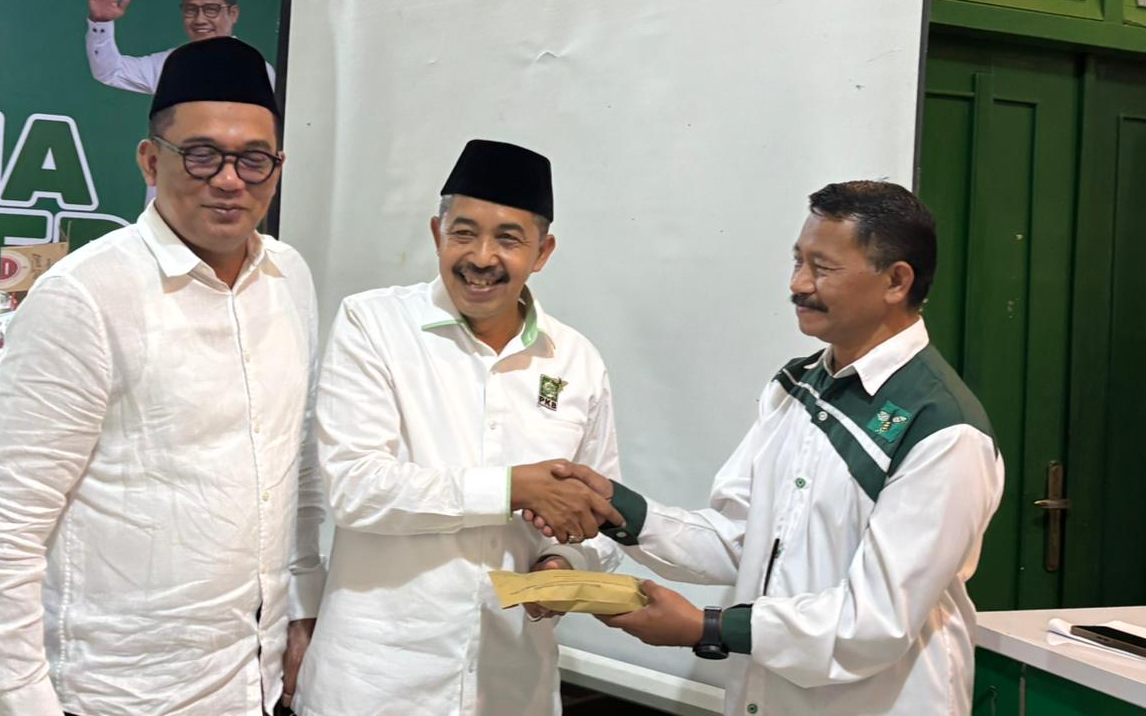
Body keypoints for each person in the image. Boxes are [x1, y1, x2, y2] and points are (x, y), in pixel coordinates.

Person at [0, 37, 323, 716]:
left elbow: (295, 459)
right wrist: (20, 702)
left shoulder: (288, 277)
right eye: (202, 154)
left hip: (251, 680)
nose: (230, 180)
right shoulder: (85, 296)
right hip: (117, 693)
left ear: (277, 167)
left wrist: (301, 604)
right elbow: (6, 524)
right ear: (151, 161)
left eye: (254, 159)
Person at [551, 181, 1004, 716]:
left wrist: (707, 627)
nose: (798, 284)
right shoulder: (796, 385)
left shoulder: (943, 429)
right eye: (797, 261)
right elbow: (744, 540)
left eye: (822, 268)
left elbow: (875, 621)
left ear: (896, 281)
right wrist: (616, 510)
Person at [294, 139, 624, 716]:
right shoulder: (374, 325)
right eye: (464, 233)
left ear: (542, 252)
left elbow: (598, 517)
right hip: (376, 685)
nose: (482, 257)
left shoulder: (577, 361)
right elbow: (356, 488)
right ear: (436, 233)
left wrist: (562, 565)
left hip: (511, 686)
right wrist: (512, 488)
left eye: (509, 239)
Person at [85, 0, 276, 95]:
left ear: (233, 13)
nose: (200, 19)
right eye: (191, 9)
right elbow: (110, 72)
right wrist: (101, 22)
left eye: (211, 9)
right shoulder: (172, 63)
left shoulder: (254, 66)